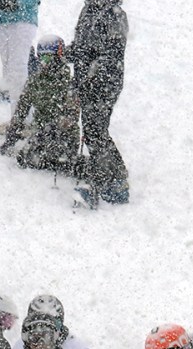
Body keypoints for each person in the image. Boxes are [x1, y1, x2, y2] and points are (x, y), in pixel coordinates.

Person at [70, 0, 128, 206]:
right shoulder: (87, 11)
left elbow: (111, 56)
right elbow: (81, 48)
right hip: (87, 83)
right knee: (93, 130)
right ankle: (111, 178)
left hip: (105, 85)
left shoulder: (115, 15)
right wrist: (64, 55)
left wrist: (91, 77)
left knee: (95, 131)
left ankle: (112, 181)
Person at [0, 34, 79, 172]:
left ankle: (67, 162)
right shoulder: (35, 81)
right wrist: (12, 133)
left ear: (58, 57)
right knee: (25, 158)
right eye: (41, 58)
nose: (44, 62)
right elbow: (22, 108)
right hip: (40, 132)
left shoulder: (68, 83)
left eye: (48, 58)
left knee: (50, 158)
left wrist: (56, 128)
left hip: (63, 135)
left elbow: (71, 116)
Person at [0, 0, 39, 105]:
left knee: (18, 66)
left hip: (23, 18)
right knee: (7, 63)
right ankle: (10, 98)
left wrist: (16, 3)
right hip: (1, 18)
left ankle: (20, 113)